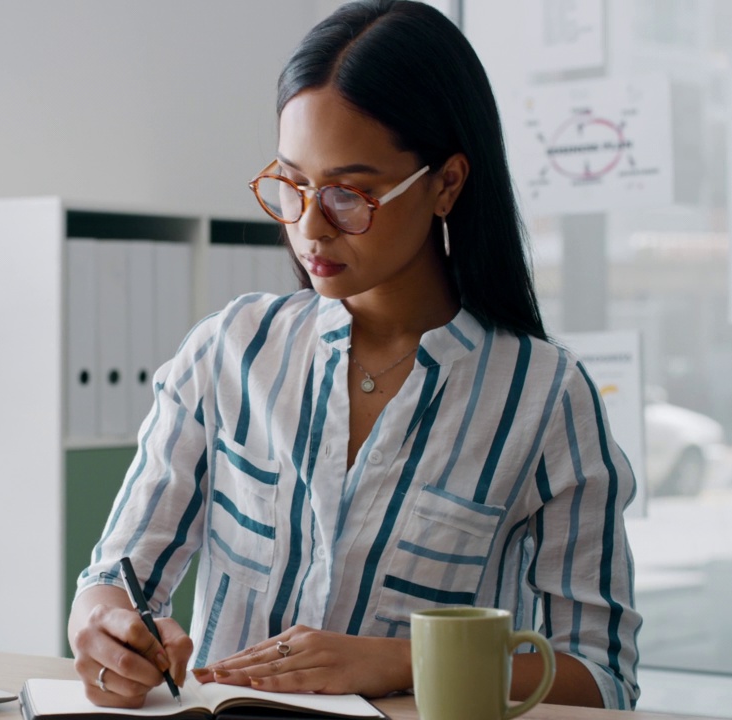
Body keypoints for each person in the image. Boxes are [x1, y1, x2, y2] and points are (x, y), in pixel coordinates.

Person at [68, 0, 640, 711]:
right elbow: (115, 579)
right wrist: (105, 628)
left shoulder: (545, 399)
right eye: (292, 183)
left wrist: (394, 663)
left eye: (349, 193)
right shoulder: (228, 354)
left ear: (447, 184)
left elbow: (601, 677)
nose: (309, 226)